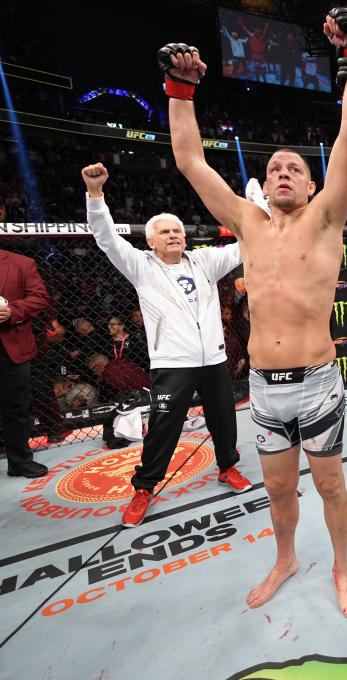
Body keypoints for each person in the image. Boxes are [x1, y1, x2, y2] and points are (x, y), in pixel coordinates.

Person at [160, 6, 347, 617]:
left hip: (319, 384)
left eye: (294, 168)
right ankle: (284, 559)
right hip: (265, 388)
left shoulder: (326, 218)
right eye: (274, 166)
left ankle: (340, 567)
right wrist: (181, 89)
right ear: (264, 181)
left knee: (329, 483)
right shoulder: (246, 223)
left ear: (310, 185)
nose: (282, 172)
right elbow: (190, 161)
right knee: (278, 486)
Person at [81, 164, 252, 528]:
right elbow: (107, 238)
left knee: (223, 419)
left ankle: (227, 468)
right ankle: (144, 488)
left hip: (213, 361)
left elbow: (245, 245)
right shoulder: (140, 266)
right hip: (173, 365)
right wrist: (96, 195)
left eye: (177, 230)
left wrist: (256, 207)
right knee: (162, 427)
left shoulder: (205, 260)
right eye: (165, 231)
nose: (174, 235)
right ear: (151, 240)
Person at [0, 248, 52, 478]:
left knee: (16, 408)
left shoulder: (21, 263)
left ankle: (19, 461)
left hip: (11, 346)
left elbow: (40, 297)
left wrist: (13, 311)